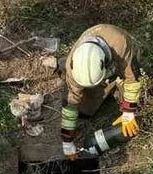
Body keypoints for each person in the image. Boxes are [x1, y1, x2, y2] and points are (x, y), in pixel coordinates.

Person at [59, 24, 145, 160]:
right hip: (102, 72)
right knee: (84, 110)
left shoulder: (120, 44)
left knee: (134, 100)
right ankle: (106, 88)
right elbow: (71, 104)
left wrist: (128, 111)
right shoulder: (72, 67)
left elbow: (132, 79)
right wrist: (67, 141)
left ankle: (116, 85)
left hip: (122, 62)